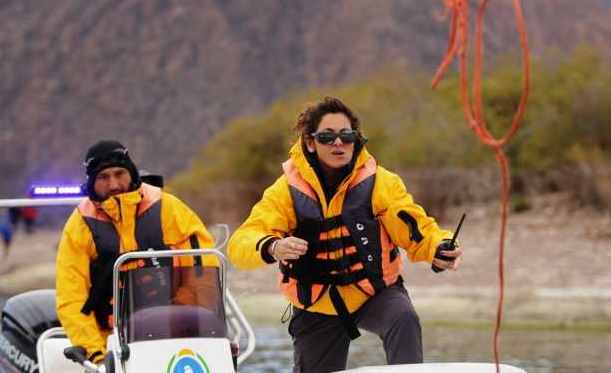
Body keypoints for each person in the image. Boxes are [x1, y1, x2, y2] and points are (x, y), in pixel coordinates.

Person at [227, 97, 463, 372]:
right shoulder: (285, 191)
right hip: (317, 305)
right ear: (311, 142)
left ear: (356, 139)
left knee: (404, 318)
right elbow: (240, 243)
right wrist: (273, 247)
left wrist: (439, 248)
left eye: (346, 135)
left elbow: (415, 227)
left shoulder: (381, 182)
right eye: (327, 137)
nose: (338, 143)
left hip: (374, 293)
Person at [55, 140, 217, 365]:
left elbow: (203, 269)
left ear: (130, 172)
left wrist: (181, 318)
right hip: (109, 342)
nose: (113, 184)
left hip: (175, 333)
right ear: (92, 181)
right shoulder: (80, 225)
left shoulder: (169, 209)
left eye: (119, 173)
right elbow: (71, 297)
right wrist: (98, 356)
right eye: (103, 177)